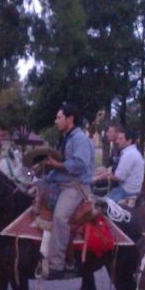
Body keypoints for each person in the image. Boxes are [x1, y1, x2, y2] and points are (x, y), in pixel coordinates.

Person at [42, 104, 95, 280]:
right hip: (61, 183)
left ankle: (57, 265)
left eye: (59, 117)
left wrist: (58, 165)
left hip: (75, 186)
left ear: (70, 119)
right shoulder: (66, 138)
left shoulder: (79, 139)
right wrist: (45, 175)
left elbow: (81, 164)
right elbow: (59, 167)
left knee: (60, 217)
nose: (56, 121)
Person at [102, 126, 144, 205]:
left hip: (126, 191)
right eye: (118, 139)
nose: (117, 141)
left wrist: (102, 176)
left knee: (102, 205)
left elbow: (118, 177)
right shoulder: (131, 152)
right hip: (128, 188)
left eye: (120, 139)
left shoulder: (129, 155)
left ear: (129, 141)